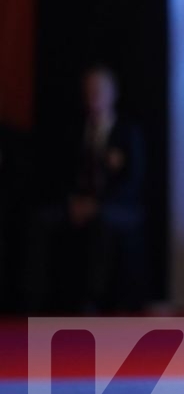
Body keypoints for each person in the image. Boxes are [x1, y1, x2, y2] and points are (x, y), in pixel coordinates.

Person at [25, 65, 147, 315]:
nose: (93, 96)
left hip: (116, 206)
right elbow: (61, 173)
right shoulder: (73, 130)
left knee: (102, 221)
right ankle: (33, 301)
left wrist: (97, 204)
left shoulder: (127, 132)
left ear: (112, 94)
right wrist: (73, 201)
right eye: (89, 91)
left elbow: (132, 182)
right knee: (39, 221)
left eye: (99, 91)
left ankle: (93, 301)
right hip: (77, 202)